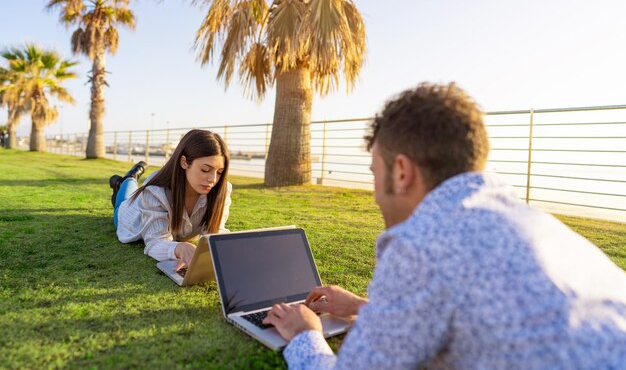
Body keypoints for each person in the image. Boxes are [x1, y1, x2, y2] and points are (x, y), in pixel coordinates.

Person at [263, 83, 626, 369]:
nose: (376, 195)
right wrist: (364, 308)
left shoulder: (421, 243)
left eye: (376, 174)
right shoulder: (537, 224)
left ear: (402, 172)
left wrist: (305, 334)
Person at [109, 129, 231, 269]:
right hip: (131, 215)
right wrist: (178, 248)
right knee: (124, 200)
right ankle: (130, 177)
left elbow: (215, 233)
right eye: (205, 170)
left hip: (144, 201)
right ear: (184, 162)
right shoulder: (155, 191)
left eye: (220, 172)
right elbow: (155, 242)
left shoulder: (221, 190)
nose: (213, 179)